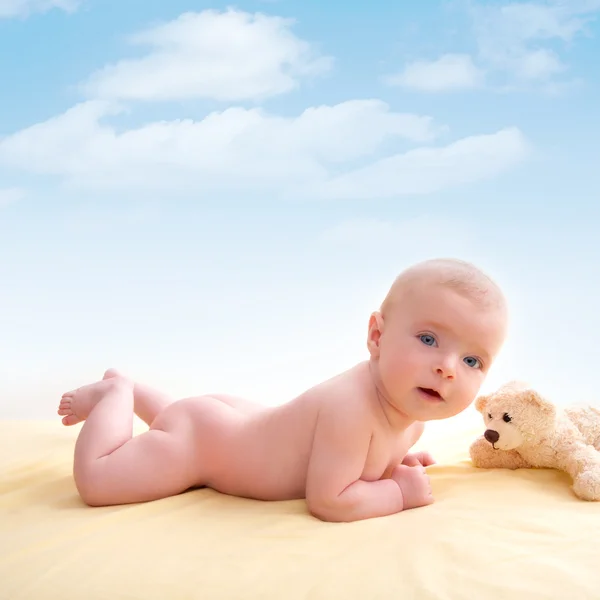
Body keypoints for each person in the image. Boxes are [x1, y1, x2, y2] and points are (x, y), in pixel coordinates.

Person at [57, 257, 508, 522]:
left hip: (228, 424)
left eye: (472, 360)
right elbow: (330, 500)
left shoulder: (409, 419)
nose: (447, 368)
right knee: (98, 482)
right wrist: (399, 494)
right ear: (376, 336)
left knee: (184, 416)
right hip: (203, 445)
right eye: (428, 339)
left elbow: (356, 460)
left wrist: (393, 463)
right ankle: (116, 393)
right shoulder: (350, 408)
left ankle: (138, 393)